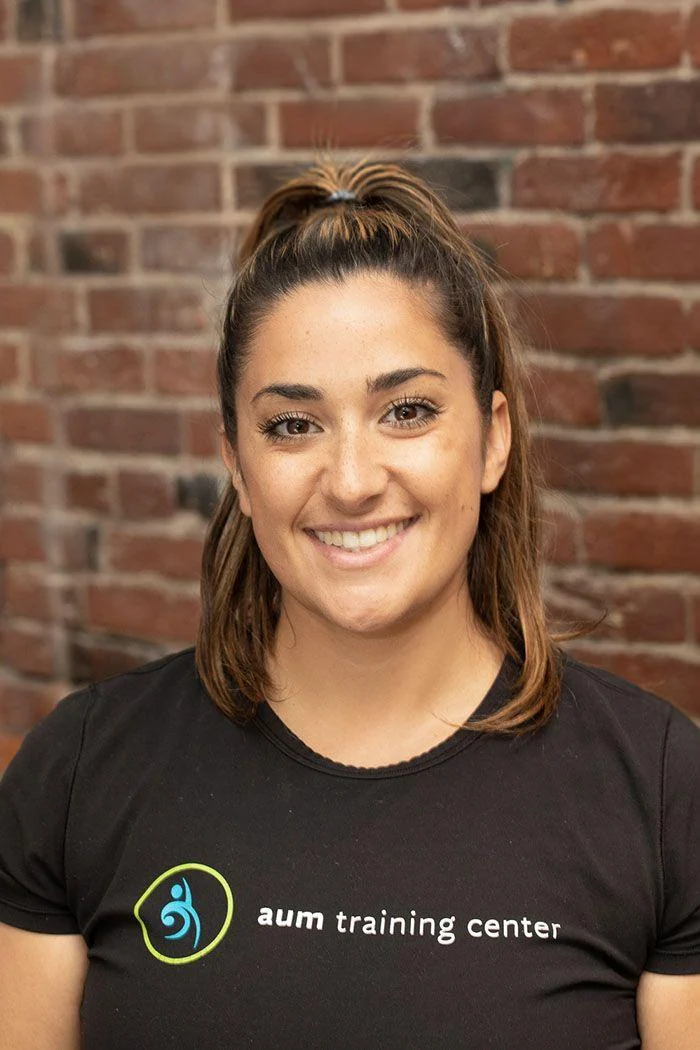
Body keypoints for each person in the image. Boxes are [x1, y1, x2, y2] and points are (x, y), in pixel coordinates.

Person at [0, 158, 698, 1050]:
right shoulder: (81, 772)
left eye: (406, 411)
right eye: (294, 425)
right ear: (238, 469)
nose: (354, 481)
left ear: (492, 441)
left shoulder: (663, 790)